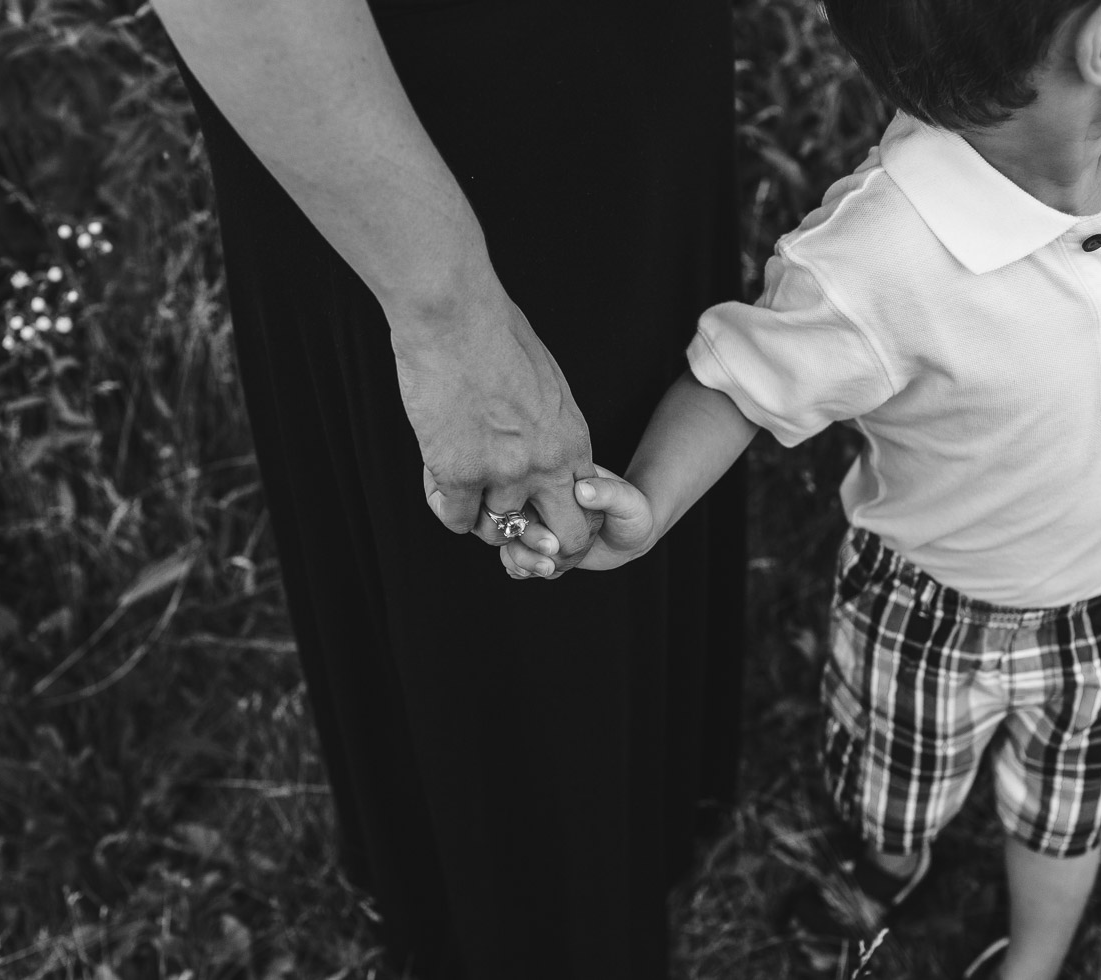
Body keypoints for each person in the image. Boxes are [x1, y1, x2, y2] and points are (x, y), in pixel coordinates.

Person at [504, 0, 1101, 977]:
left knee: (1073, 812)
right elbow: (738, 384)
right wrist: (651, 500)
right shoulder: (876, 261)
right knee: (892, 780)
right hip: (926, 606)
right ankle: (885, 863)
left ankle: (1036, 958)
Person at [150, 1, 745, 977]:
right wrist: (446, 314)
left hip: (626, 63)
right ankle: (530, 907)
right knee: (508, 522)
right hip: (418, 101)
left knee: (627, 356)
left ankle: (646, 808)